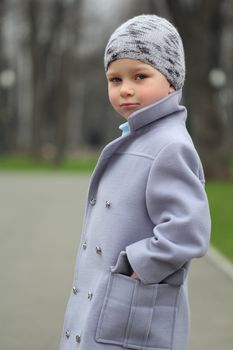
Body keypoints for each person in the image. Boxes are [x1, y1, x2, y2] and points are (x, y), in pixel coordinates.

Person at [59, 14, 211, 350]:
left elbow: (189, 231)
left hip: (129, 313)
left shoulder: (170, 145)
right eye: (115, 79)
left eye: (140, 76)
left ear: (171, 80)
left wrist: (134, 266)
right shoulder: (139, 137)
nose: (125, 89)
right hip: (105, 303)